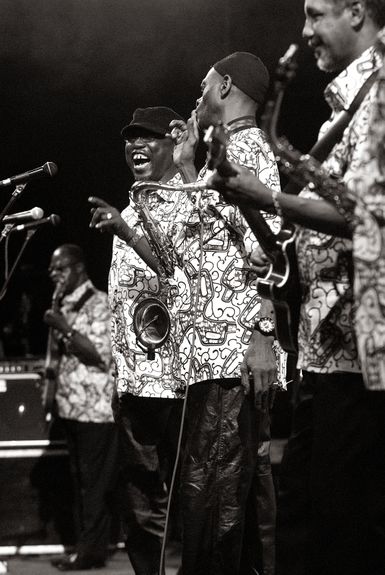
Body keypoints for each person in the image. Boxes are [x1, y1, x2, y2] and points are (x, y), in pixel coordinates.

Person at [208, 2, 385, 574]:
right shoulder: (347, 105)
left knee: (344, 527)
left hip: (359, 355)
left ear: (357, 12)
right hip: (326, 347)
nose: (304, 32)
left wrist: (267, 197)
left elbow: (368, 213)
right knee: (307, 523)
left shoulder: (380, 95)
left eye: (315, 14)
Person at [169, 52, 286, 575]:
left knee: (217, 490)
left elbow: (271, 249)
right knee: (217, 489)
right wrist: (189, 164)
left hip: (232, 351)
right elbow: (207, 241)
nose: (196, 99)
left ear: (227, 86)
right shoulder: (227, 150)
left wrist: (262, 335)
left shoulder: (249, 150)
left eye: (203, 87)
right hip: (210, 353)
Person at [89, 106, 192, 575]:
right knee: (138, 501)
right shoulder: (128, 208)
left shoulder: (190, 200)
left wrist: (128, 233)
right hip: (133, 381)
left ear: (174, 142)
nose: (135, 146)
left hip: (178, 380)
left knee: (191, 494)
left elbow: (186, 280)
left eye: (148, 137)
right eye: (130, 139)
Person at [44, 243, 118, 571]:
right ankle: (83, 548)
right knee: (79, 482)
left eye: (60, 269)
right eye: (51, 270)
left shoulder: (99, 303)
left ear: (78, 268)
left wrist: (63, 327)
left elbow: (98, 353)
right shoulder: (64, 304)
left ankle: (91, 553)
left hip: (96, 410)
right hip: (71, 407)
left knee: (94, 485)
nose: (54, 276)